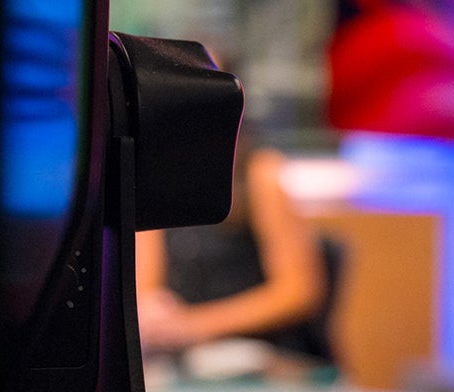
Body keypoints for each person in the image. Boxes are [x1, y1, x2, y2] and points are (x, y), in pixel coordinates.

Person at [133, 136, 329, 362]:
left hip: (266, 355)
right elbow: (145, 289)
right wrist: (155, 314)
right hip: (191, 360)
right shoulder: (156, 173)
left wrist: (194, 325)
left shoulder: (259, 171)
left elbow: (299, 292)